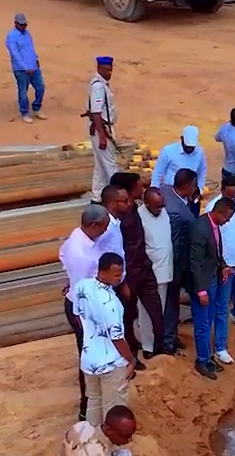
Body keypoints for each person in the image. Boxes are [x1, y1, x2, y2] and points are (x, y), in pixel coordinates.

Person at [60, 204, 114, 420]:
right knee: (91, 359)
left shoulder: (78, 237)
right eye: (103, 228)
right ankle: (88, 409)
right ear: (92, 225)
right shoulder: (81, 254)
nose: (104, 232)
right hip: (84, 312)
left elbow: (62, 255)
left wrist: (70, 280)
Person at [72, 253, 137, 427]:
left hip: (89, 359)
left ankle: (91, 441)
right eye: (116, 275)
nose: (120, 278)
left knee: (93, 400)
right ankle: (113, 450)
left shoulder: (81, 287)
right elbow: (117, 338)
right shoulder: (111, 303)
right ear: (103, 272)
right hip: (111, 363)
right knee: (113, 407)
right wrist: (130, 359)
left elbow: (77, 316)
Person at [109, 174, 163, 366]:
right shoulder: (116, 220)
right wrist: (122, 280)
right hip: (128, 275)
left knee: (156, 309)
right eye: (140, 185)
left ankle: (160, 345)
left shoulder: (134, 209)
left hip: (143, 269)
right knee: (127, 316)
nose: (143, 188)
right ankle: (130, 355)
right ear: (132, 189)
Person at [187, 195, 235, 379]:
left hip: (212, 279)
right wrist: (201, 290)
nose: (228, 222)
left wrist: (223, 266)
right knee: (202, 324)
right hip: (203, 284)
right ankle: (202, 360)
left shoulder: (212, 226)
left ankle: (207, 357)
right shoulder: (200, 229)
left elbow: (214, 253)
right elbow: (195, 262)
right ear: (219, 212)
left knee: (208, 320)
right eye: (227, 218)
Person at [203, 173, 235, 364]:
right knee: (217, 307)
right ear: (222, 191)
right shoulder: (212, 208)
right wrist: (221, 265)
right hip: (221, 265)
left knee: (234, 299)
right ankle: (215, 348)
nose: (234, 199)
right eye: (230, 195)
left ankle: (222, 342)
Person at [163, 169, 201, 356]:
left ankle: (170, 335)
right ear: (187, 186)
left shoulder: (165, 191)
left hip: (168, 260)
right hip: (174, 263)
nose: (196, 187)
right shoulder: (180, 213)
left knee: (171, 302)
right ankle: (167, 341)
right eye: (194, 184)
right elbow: (178, 242)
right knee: (170, 301)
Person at [137, 187, 174, 355]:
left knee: (162, 309)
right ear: (146, 203)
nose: (160, 208)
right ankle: (147, 346)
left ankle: (160, 343)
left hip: (165, 269)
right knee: (146, 312)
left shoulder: (163, 213)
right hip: (149, 274)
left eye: (162, 205)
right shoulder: (139, 216)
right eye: (157, 206)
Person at [87, 56, 118, 195]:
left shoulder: (102, 84)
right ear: (99, 69)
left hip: (105, 127)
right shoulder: (98, 86)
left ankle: (97, 194)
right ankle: (116, 195)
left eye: (111, 70)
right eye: (106, 70)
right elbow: (96, 112)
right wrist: (102, 136)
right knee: (110, 165)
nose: (109, 73)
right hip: (102, 129)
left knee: (100, 166)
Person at [6, 12, 45, 123]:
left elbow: (30, 48)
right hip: (21, 69)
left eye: (25, 25)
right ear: (16, 24)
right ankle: (24, 113)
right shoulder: (11, 36)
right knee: (23, 91)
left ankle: (36, 107)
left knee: (40, 87)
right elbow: (15, 53)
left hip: (33, 66)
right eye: (21, 25)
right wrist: (25, 66)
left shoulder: (27, 34)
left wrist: (36, 59)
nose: (24, 27)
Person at [154, 126, 208, 195]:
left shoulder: (200, 152)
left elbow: (202, 172)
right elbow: (158, 173)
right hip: (170, 192)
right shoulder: (168, 151)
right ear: (181, 139)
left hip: (190, 194)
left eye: (192, 147)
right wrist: (154, 190)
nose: (190, 149)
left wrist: (199, 190)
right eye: (188, 146)